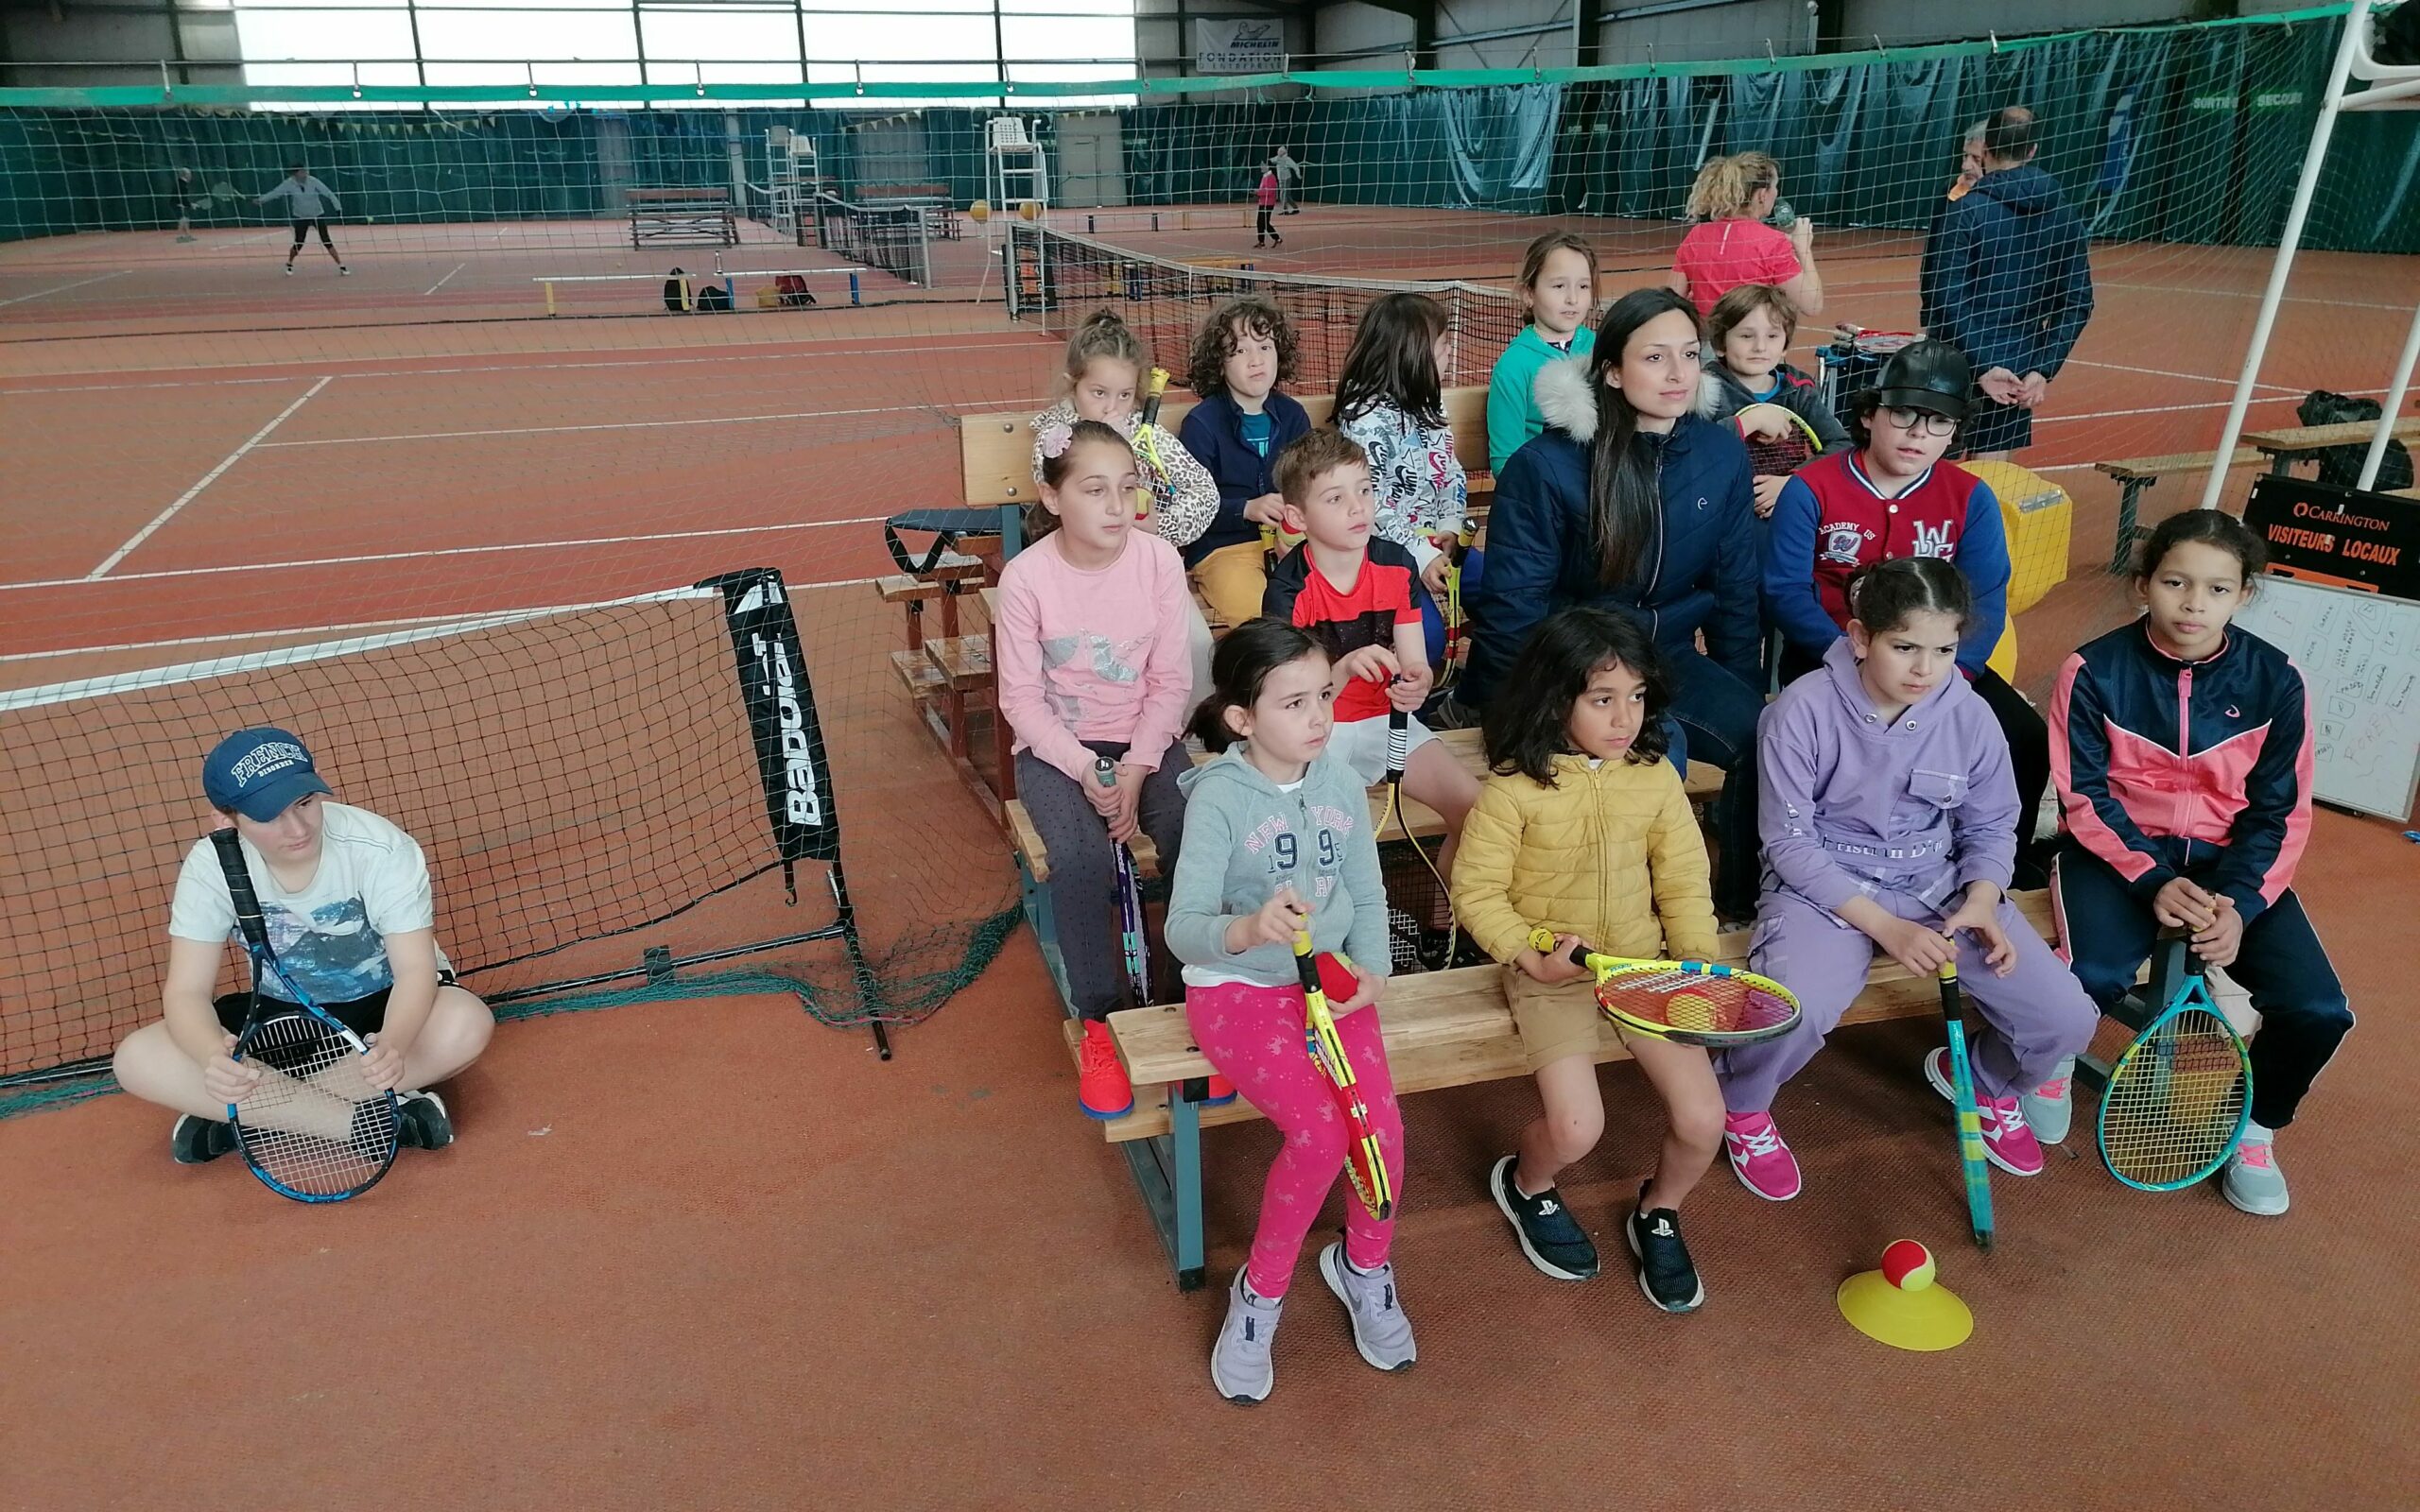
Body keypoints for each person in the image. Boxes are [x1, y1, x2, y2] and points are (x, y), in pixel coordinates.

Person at [1720, 559, 2098, 1200]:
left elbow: (1994, 822)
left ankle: (1981, 1080)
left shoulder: (1971, 715)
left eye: (1944, 650)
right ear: (1862, 637)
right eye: (1905, 647)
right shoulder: (1799, 710)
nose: (1925, 669)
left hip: (1939, 885)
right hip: (1825, 889)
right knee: (1795, 1006)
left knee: (2066, 1019)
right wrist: (1885, 927)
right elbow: (1787, 843)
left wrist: (1982, 897)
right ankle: (1742, 1106)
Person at [2050, 509, 2349, 1217]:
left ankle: (2256, 1127)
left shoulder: (2279, 681)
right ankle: (2046, 1067)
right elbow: (2083, 798)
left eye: (2218, 589)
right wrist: (2154, 879)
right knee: (2088, 976)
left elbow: (2281, 812)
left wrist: (2241, 905)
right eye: (2176, 582)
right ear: (2141, 585)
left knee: (2317, 1010)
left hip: (2230, 868)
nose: (2194, 603)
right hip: (2118, 856)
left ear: (2244, 594)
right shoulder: (2091, 670)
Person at [1167, 619, 1411, 1402]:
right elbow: (1182, 930)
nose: (1318, 718)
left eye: (1325, 698)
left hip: (1330, 980)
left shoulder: (1338, 780)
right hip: (1237, 989)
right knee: (1319, 1133)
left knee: (1382, 1130)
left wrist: (1371, 965)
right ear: (1242, 718)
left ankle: (1362, 1268)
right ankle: (1260, 1295)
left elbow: (1367, 890)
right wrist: (1247, 929)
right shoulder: (1217, 800)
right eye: (1295, 702)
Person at [1452, 608, 1723, 1313]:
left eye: (1635, 697)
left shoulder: (1654, 776)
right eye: (1602, 699)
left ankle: (1658, 1210)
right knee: (1577, 1130)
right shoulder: (1512, 790)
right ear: (1556, 696)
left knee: (1703, 1122)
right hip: (1551, 979)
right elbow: (1477, 894)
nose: (1624, 717)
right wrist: (1530, 954)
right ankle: (1528, 1185)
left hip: (1643, 970)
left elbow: (1683, 879)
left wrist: (1693, 960)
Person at [1462, 287, 1765, 919]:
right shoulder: (1547, 467)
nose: (1679, 374)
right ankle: (1629, 928)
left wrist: (1743, 687)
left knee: (1768, 735)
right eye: (1655, 358)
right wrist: (1511, 719)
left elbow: (1736, 587)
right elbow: (1512, 607)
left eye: (1689, 354)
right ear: (1611, 370)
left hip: (1668, 657)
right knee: (1656, 753)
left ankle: (1737, 912)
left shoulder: (1719, 452)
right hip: (1571, 673)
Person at [112, 728, 493, 1166]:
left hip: (386, 1006)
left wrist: (393, 1044)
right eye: (269, 816)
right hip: (281, 1015)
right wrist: (211, 1057)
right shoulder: (211, 865)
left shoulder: (379, 848)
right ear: (225, 820)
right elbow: (185, 993)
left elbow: (415, 971)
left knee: (464, 1023)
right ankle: (369, 1123)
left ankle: (248, 1115)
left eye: (305, 803)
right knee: (136, 1058)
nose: (298, 828)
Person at [1762, 337, 2052, 887]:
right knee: (1806, 743)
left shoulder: (1971, 496)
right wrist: (1851, 663)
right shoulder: (1812, 489)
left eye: (1938, 423)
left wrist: (1954, 675)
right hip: (1832, 661)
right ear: (1870, 414)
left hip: (1939, 666)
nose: (1919, 434)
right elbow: (1785, 591)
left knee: (2023, 737)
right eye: (1904, 415)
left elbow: (1985, 597)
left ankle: (1994, 878)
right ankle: (1808, 872)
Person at [993, 420, 1201, 1121]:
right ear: (1053, 499)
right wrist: (1087, 770)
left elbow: (1171, 682)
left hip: (1145, 739)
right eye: (1094, 489)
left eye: (1128, 488)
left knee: (1190, 829)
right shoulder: (1026, 578)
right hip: (1058, 751)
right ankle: (1100, 1023)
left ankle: (1184, 998)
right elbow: (1021, 702)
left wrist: (1139, 770)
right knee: (1079, 861)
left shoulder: (1158, 563)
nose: (1117, 506)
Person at [1262, 428, 1478, 969]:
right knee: (1329, 843)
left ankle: (1441, 930)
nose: (1358, 508)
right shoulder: (1288, 591)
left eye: (1364, 490)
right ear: (1296, 517)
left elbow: (1415, 667)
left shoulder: (1395, 564)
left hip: (1386, 726)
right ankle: (1328, 953)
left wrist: (1416, 683)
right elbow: (1291, 702)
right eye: (1335, 498)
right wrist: (1338, 671)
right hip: (1318, 737)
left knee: (1476, 809)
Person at [1029, 307, 1219, 699]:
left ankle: (1176, 733)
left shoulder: (1143, 431)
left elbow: (1206, 492)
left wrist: (1158, 526)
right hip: (1078, 576)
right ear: (1073, 387)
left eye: (1125, 395)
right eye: (1098, 393)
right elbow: (1061, 501)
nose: (1111, 407)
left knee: (1197, 647)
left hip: (1146, 569)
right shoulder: (1055, 438)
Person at [1918, 106, 2095, 461]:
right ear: (2032, 151)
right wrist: (2042, 368)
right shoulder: (2064, 215)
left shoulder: (1965, 211)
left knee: (1935, 485)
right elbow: (2077, 301)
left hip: (1954, 366)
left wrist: (1982, 365)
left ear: (1985, 149)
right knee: (1991, 489)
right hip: (2019, 370)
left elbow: (1941, 296)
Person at [1333, 289, 1471, 662]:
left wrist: (1450, 525)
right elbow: (1370, 505)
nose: (1448, 356)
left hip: (1435, 544)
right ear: (1411, 355)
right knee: (1425, 641)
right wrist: (1422, 554)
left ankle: (1473, 695)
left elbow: (1449, 470)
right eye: (1442, 348)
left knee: (1508, 591)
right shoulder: (1364, 418)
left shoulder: (1430, 400)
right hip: (1386, 555)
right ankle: (1410, 716)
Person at [1180, 295, 1312, 630]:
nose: (1256, 360)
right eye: (1239, 351)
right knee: (1267, 621)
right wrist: (1245, 509)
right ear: (1219, 363)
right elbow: (1189, 506)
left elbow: (1309, 484)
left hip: (1291, 544)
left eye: (1265, 347)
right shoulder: (1202, 424)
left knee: (1326, 603)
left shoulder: (1293, 415)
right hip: (1223, 551)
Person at [1699, 284, 1850, 522]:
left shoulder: (1799, 390)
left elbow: (1841, 445)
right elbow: (1694, 451)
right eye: (1746, 336)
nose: (1760, 347)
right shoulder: (1703, 390)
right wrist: (1748, 422)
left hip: (1791, 508)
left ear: (1784, 346)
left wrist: (1794, 482)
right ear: (1719, 345)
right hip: (1724, 515)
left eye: (1772, 336)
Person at [1487, 232, 1599, 474]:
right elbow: (1504, 461)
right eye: (1559, 286)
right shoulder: (1514, 366)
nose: (1573, 298)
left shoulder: (1602, 348)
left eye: (1583, 286)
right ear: (1529, 294)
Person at [1668, 152, 1821, 319]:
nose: (1777, 193)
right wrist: (1804, 248)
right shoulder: (1773, 242)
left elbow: (1672, 300)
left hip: (1706, 340)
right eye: (1775, 186)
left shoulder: (1696, 236)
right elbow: (1812, 305)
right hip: (1752, 339)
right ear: (1762, 195)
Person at [257, 163, 348, 276]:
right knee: (299, 242)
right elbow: (276, 193)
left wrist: (338, 207)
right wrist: (261, 200)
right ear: (295, 174)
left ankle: (341, 265)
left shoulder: (313, 181)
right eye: (302, 171)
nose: (305, 172)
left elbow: (328, 193)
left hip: (317, 214)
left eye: (305, 170)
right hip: (301, 217)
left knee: (326, 240)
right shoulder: (289, 183)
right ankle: (289, 263)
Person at [1253, 159, 1283, 249]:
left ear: (1268, 166)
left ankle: (1277, 238)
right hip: (1263, 203)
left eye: (1263, 164)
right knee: (1260, 223)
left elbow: (1269, 192)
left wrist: (1258, 192)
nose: (1261, 167)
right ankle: (1261, 242)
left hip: (1268, 203)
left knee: (1265, 223)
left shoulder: (1271, 177)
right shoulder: (1265, 176)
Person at [1271, 145, 1304, 215]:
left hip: (1286, 179)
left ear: (1283, 152)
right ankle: (1295, 208)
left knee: (1283, 194)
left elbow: (1295, 166)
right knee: (1287, 195)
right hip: (1281, 179)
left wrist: (1298, 175)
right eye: (1278, 151)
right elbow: (1272, 160)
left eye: (1280, 151)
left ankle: (1285, 210)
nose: (1278, 152)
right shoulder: (1278, 158)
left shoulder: (1287, 159)